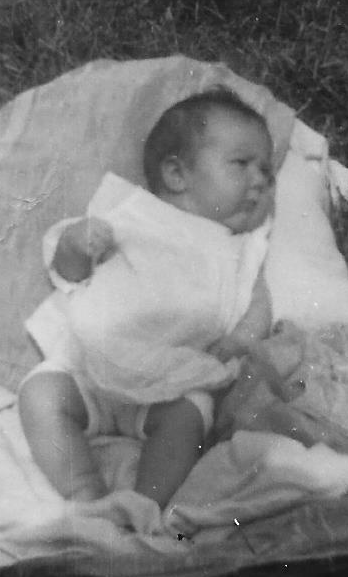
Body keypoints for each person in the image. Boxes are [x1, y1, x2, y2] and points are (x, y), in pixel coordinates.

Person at [18, 89, 276, 510]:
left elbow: (257, 304)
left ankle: (145, 506)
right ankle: (85, 492)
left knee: (190, 415)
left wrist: (239, 340)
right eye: (241, 163)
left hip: (169, 383)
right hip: (88, 368)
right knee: (40, 394)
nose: (260, 180)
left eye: (267, 171)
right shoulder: (131, 215)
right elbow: (69, 275)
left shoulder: (241, 250)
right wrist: (77, 245)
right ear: (176, 174)